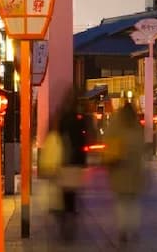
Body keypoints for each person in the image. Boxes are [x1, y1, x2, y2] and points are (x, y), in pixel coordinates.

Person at [104, 101, 147, 245]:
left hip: (119, 169)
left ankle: (123, 230)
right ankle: (133, 227)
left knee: (121, 202)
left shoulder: (115, 125)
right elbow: (142, 148)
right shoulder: (138, 128)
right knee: (133, 202)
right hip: (134, 170)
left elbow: (107, 142)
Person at [54, 89, 87, 242]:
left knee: (65, 193)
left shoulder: (62, 119)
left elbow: (57, 138)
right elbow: (83, 141)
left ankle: (65, 221)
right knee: (72, 195)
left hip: (64, 161)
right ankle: (70, 222)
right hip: (76, 162)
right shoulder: (79, 119)